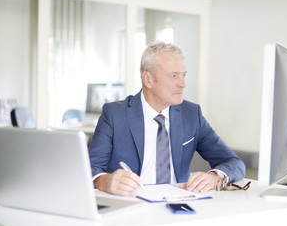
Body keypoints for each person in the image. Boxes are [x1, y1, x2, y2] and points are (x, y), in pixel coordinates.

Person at [89, 41, 245, 197]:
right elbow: (89, 169)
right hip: (130, 203)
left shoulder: (191, 114)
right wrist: (105, 181)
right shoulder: (115, 114)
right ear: (148, 79)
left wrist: (214, 177)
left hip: (180, 204)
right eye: (174, 76)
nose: (183, 84)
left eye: (184, 75)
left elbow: (234, 163)